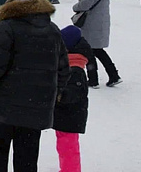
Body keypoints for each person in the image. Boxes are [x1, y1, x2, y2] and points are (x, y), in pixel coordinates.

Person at [0, 0, 69, 172]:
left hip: (2, 108)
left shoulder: (7, 27)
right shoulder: (52, 30)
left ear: (17, 2)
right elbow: (63, 69)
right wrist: (52, 94)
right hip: (35, 110)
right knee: (27, 160)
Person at [53, 26, 95, 172]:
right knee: (64, 145)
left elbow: (75, 93)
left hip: (70, 116)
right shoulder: (70, 65)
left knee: (68, 147)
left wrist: (59, 95)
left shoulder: (75, 69)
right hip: (66, 115)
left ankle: (70, 170)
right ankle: (67, 168)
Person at [73, 0, 121, 88]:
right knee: (97, 50)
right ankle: (113, 75)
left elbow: (85, 3)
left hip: (92, 22)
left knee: (90, 50)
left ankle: (94, 79)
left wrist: (75, 7)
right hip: (99, 21)